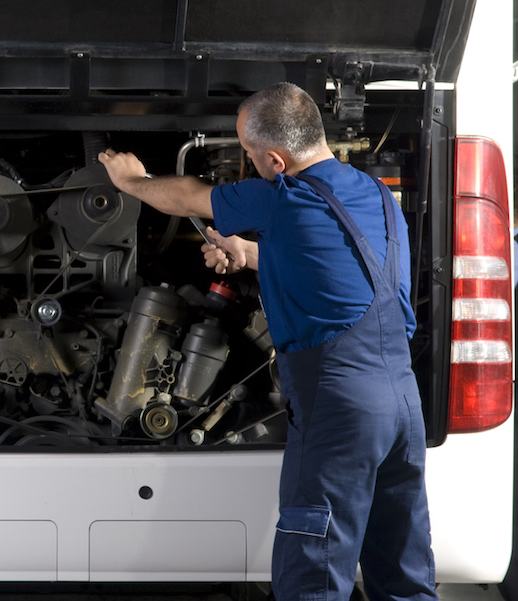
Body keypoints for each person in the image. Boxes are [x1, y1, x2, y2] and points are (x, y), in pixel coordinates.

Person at [98, 82, 437, 601]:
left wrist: (133, 180)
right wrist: (250, 252)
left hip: (339, 405)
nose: (250, 165)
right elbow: (339, 268)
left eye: (251, 155)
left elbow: (186, 196)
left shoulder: (282, 197)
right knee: (403, 574)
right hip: (401, 403)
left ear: (276, 160)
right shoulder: (374, 194)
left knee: (314, 572)